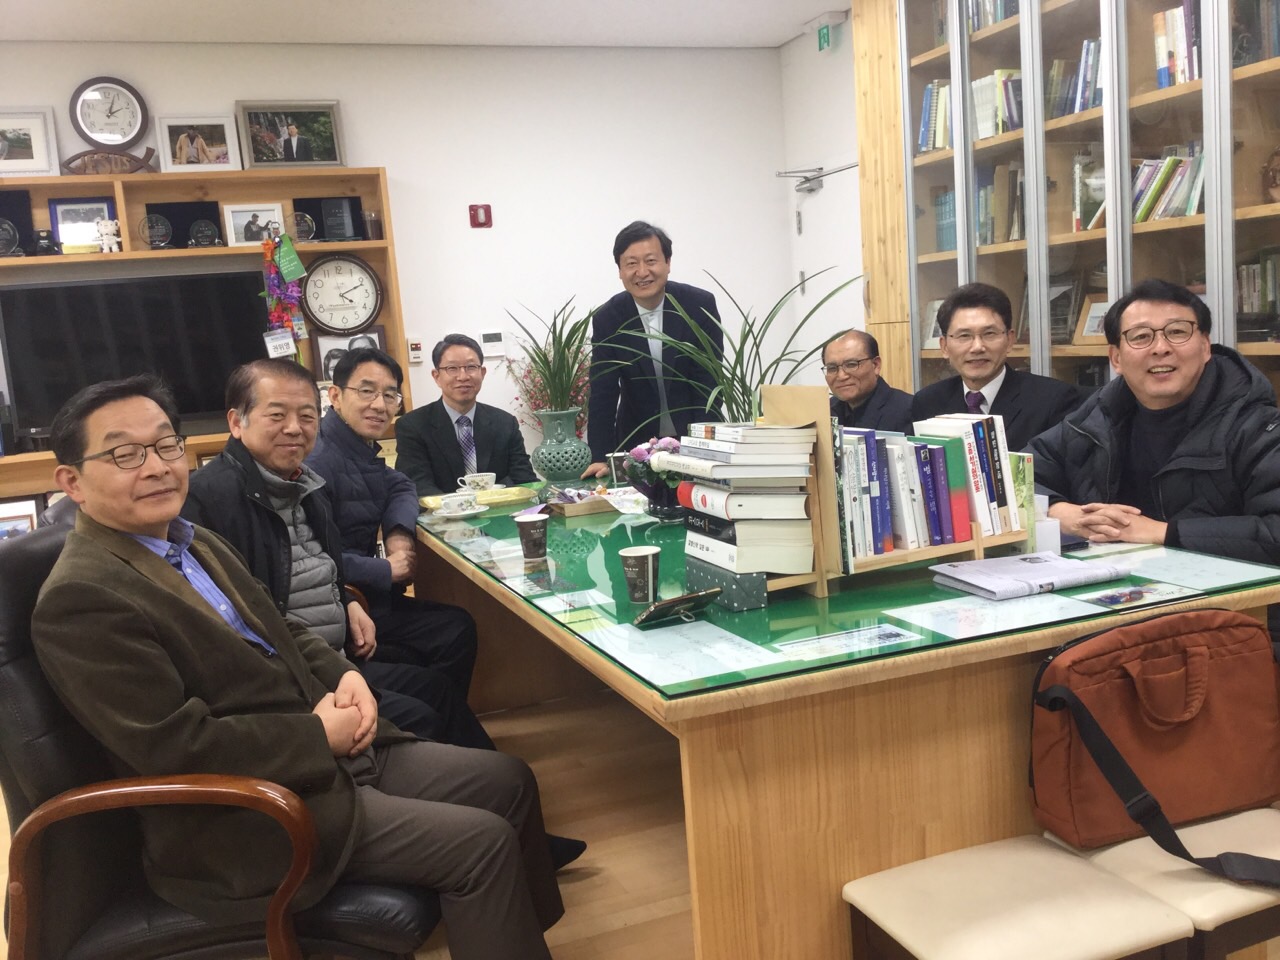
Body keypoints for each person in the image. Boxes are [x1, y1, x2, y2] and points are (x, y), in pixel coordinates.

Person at [31, 374, 564, 960]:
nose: (156, 467)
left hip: (322, 758)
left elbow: (281, 626)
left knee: (507, 779)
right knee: (481, 844)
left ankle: (509, 931)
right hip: (249, 813)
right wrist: (318, 734)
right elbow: (174, 746)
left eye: (165, 445)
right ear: (72, 483)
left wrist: (346, 676)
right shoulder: (83, 597)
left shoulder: (193, 541)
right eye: (125, 454)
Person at [183, 358, 492, 749]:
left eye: (306, 416)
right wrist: (376, 578)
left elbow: (396, 486)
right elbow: (240, 615)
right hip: (295, 673)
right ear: (236, 422)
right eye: (277, 415)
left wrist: (347, 599)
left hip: (338, 642)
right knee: (427, 706)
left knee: (439, 680)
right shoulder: (212, 498)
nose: (293, 428)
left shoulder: (303, 482)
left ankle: (466, 769)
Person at [1028, 278, 1280, 563]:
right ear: (1116, 358)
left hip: (1224, 588)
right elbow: (1014, 476)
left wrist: (1162, 532)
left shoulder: (1257, 426)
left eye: (1177, 332)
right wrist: (1060, 512)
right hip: (1117, 580)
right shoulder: (1095, 418)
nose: (1161, 348)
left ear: (1205, 347)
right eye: (1140, 337)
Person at [305, 348, 477, 682]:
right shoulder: (319, 461)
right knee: (454, 631)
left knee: (452, 629)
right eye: (366, 391)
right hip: (338, 607)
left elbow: (400, 484)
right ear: (335, 396)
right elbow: (312, 558)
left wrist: (399, 534)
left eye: (389, 395)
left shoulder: (355, 447)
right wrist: (386, 568)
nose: (379, 405)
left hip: (364, 594)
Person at [582, 220, 723, 478]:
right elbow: (603, 391)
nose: (642, 272)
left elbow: (708, 383)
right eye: (631, 263)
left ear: (667, 262)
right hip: (636, 444)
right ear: (620, 270)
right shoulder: (608, 318)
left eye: (650, 261)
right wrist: (601, 456)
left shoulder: (698, 305)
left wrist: (703, 446)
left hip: (695, 439)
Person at [910, 282, 1085, 450]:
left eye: (989, 333)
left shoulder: (1053, 401)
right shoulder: (928, 403)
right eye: (964, 336)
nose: (977, 347)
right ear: (944, 347)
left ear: (1010, 340)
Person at [395, 334, 537, 497]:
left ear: (482, 373)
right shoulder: (413, 426)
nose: (463, 376)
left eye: (471, 367)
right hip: (443, 512)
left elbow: (524, 480)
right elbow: (418, 486)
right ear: (436, 376)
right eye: (452, 368)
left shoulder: (505, 423)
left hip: (500, 509)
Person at [822, 328, 913, 433]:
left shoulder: (909, 411)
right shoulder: (826, 411)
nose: (841, 376)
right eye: (832, 368)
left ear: (876, 365)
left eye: (851, 365)